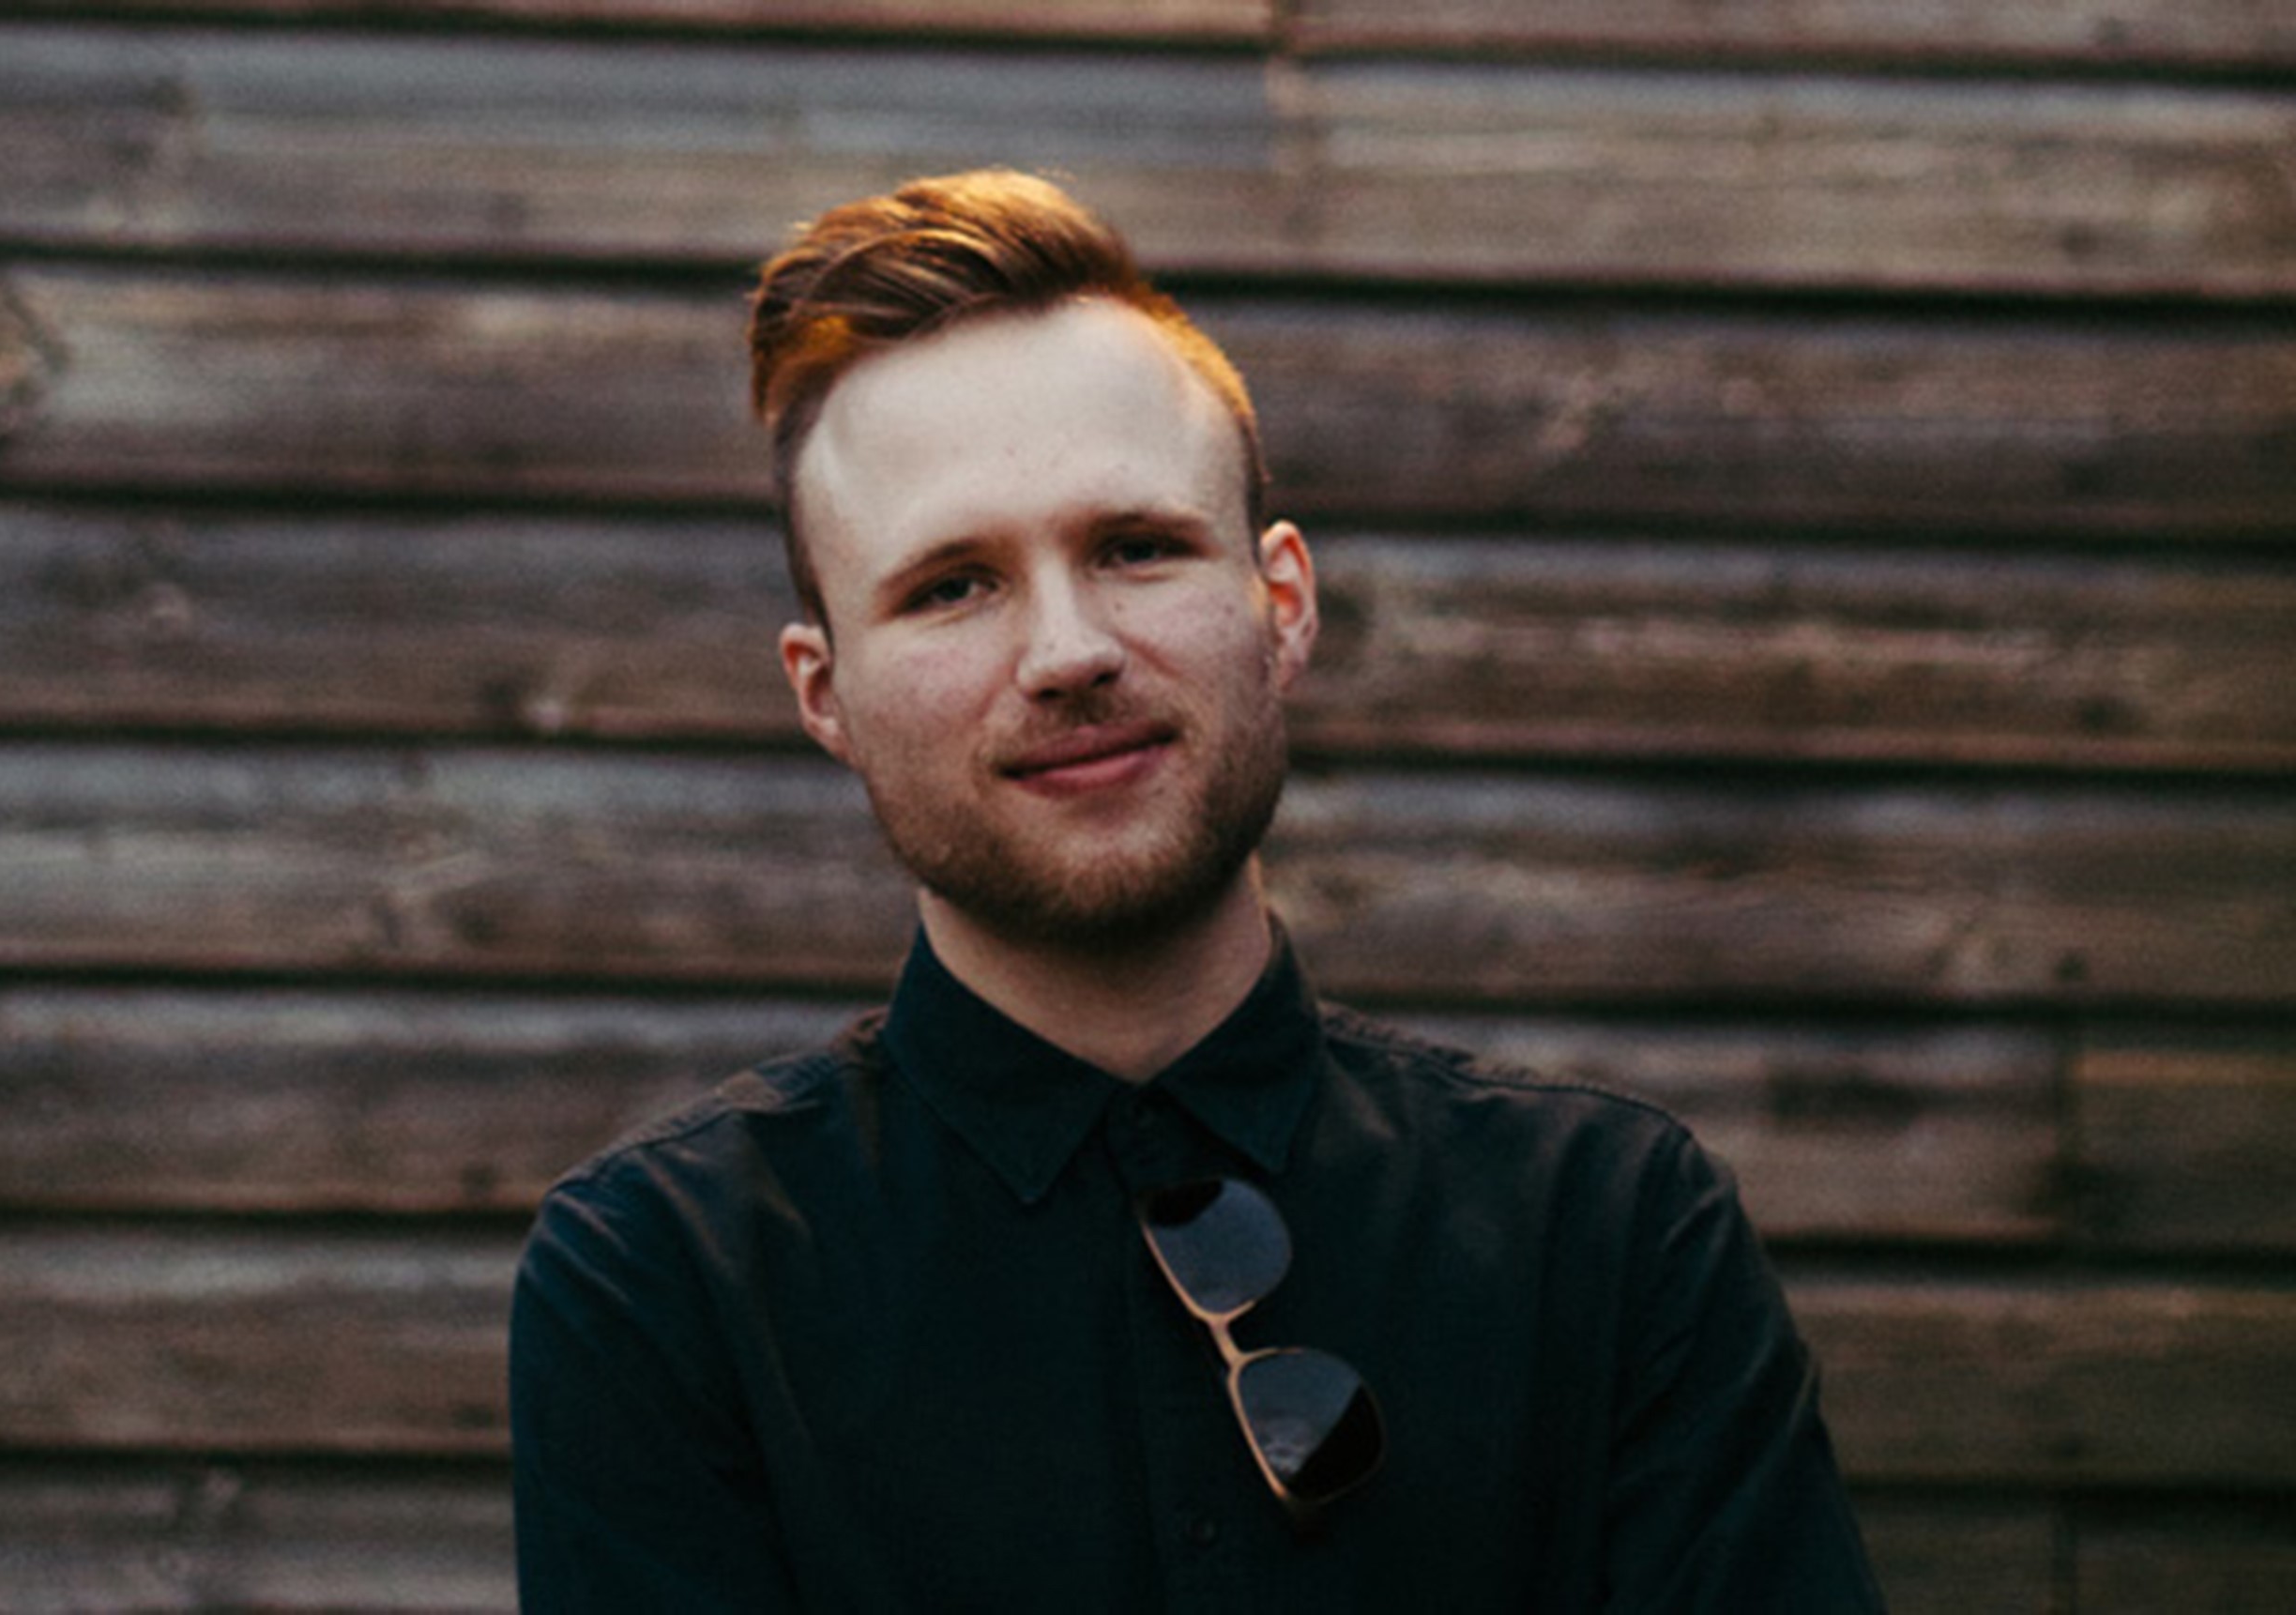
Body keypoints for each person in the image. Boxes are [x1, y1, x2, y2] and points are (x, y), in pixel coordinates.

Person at [508, 168, 1885, 1611]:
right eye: (951, 586)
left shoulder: (1610, 1232)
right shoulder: (668, 1281)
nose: (1066, 652)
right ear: (826, 691)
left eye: (1135, 548)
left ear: (1277, 602)